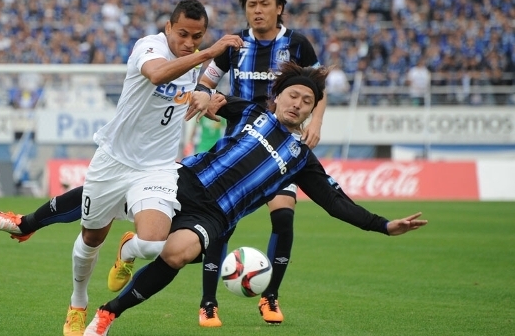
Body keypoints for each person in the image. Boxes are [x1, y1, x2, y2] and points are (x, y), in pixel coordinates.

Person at [81, 62, 428, 335]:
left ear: (311, 112)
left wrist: (383, 225)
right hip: (184, 181)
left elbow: (336, 203)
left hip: (217, 213)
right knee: (106, 204)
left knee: (178, 254)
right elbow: (209, 98)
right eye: (294, 95)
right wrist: (204, 97)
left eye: (308, 102)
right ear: (277, 96)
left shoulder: (301, 158)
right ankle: (115, 245)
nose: (299, 104)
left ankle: (107, 315)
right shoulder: (250, 112)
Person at [0, 0, 243, 336]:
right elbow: (158, 73)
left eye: (198, 37)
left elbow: (199, 88)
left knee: (150, 245)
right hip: (114, 160)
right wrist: (208, 54)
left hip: (157, 168)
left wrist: (206, 95)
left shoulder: (193, 62)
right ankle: (77, 303)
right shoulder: (149, 47)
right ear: (168, 28)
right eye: (183, 34)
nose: (189, 42)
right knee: (90, 237)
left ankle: (127, 249)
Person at [193, 0, 326, 326]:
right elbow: (206, 81)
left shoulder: (297, 44)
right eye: (251, 4)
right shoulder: (234, 45)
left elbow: (319, 89)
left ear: (279, 8)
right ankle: (208, 303)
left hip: (280, 152)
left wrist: (317, 122)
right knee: (221, 227)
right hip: (238, 151)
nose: (258, 10)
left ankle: (270, 297)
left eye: (265, 4)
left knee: (284, 217)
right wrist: (205, 99)